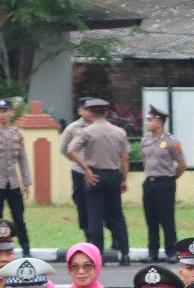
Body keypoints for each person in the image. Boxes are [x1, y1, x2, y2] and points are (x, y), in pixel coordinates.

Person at [65, 97, 131, 266]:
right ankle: (124, 253)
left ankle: (98, 255)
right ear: (106, 112)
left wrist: (86, 169)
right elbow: (125, 158)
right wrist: (123, 179)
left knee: (95, 216)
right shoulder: (119, 132)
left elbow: (71, 150)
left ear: (91, 113)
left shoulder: (86, 131)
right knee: (117, 215)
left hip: (95, 175)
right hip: (113, 174)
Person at [0, 99, 31, 258]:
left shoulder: (17, 134)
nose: (2, 115)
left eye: (5, 111)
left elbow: (22, 159)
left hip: (13, 183)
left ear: (11, 113)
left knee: (19, 217)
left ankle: (26, 248)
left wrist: (26, 183)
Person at [140, 106, 186, 264]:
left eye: (150, 120)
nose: (147, 123)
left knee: (167, 220)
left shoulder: (172, 142)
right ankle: (152, 252)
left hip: (165, 183)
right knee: (151, 219)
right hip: (149, 183)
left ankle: (171, 252)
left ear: (159, 122)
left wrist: (171, 179)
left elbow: (182, 164)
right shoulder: (145, 140)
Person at [59, 100, 92, 237]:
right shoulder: (73, 128)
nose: (89, 112)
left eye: (92, 109)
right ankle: (87, 233)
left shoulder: (100, 126)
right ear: (80, 111)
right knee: (81, 201)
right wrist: (77, 161)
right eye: (86, 109)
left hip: (98, 170)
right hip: (79, 171)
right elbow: (64, 148)